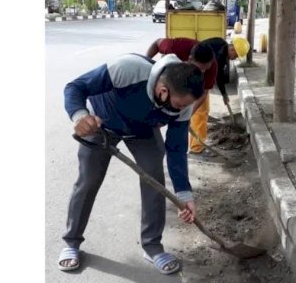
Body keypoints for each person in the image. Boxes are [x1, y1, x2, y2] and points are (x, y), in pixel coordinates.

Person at [58, 54, 204, 275]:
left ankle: (152, 247)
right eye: (179, 104)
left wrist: (184, 196)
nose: (183, 109)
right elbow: (75, 87)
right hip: (101, 124)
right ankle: (71, 242)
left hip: (143, 131)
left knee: (155, 180)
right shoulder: (127, 69)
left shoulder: (183, 104)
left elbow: (176, 150)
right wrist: (80, 116)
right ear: (162, 92)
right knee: (88, 181)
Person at [146, 37, 218, 156]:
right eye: (201, 69)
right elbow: (156, 42)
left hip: (194, 87)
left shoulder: (212, 65)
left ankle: (194, 147)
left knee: (200, 112)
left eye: (206, 69)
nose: (203, 72)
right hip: (171, 81)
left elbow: (204, 93)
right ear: (189, 59)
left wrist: (189, 113)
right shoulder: (175, 47)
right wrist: (147, 61)